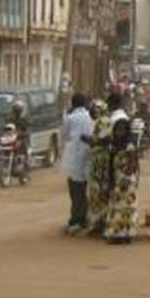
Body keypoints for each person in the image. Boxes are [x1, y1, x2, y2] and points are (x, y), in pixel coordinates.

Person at [103, 117, 141, 244]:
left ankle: (125, 234)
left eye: (122, 130)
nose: (119, 133)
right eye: (117, 130)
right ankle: (118, 234)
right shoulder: (114, 145)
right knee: (116, 207)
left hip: (126, 180)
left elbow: (132, 163)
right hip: (117, 178)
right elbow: (110, 165)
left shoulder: (129, 145)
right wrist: (111, 181)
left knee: (126, 208)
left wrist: (126, 178)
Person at [61, 93, 93, 235]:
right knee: (85, 189)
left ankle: (76, 220)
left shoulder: (70, 118)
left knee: (75, 191)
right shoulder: (90, 116)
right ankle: (84, 218)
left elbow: (65, 135)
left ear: (73, 104)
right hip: (88, 155)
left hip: (74, 156)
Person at [87, 97, 116, 235]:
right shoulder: (104, 121)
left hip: (100, 159)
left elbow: (104, 140)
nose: (91, 112)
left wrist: (91, 141)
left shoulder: (102, 122)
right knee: (101, 190)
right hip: (102, 158)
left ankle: (99, 222)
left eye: (94, 109)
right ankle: (101, 220)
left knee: (97, 191)